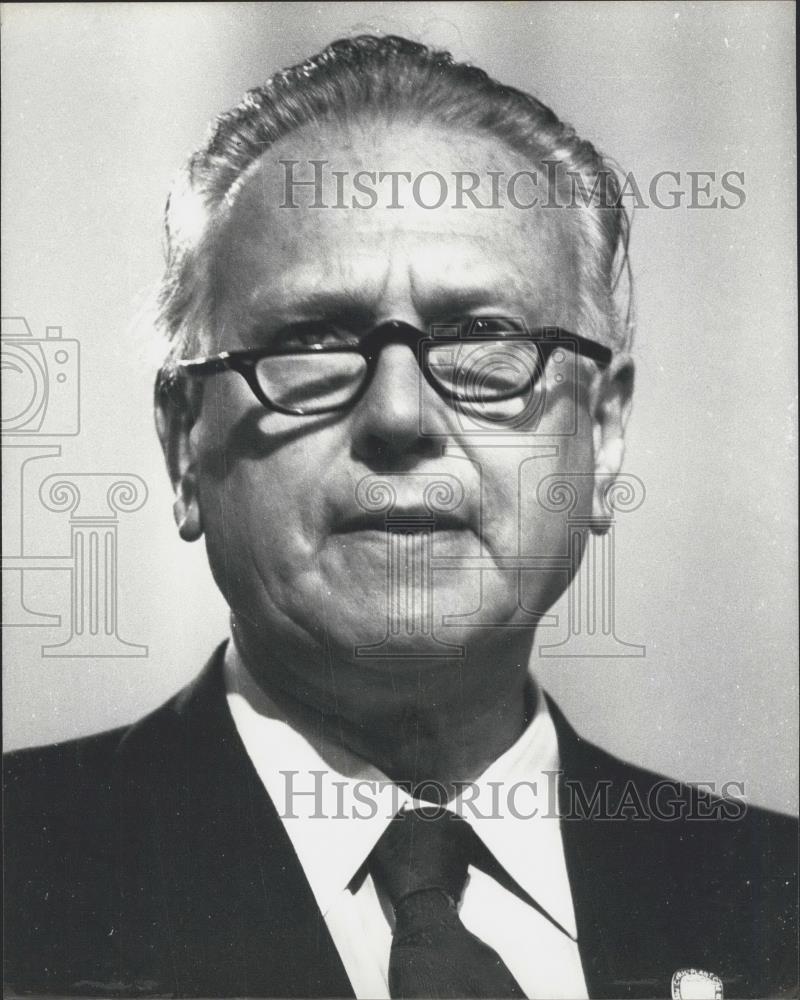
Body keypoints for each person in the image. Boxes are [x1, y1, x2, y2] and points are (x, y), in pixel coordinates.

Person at [4, 34, 796, 1000]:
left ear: (602, 434)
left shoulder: (774, 897)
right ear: (182, 445)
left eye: (480, 340)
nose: (397, 416)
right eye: (312, 342)